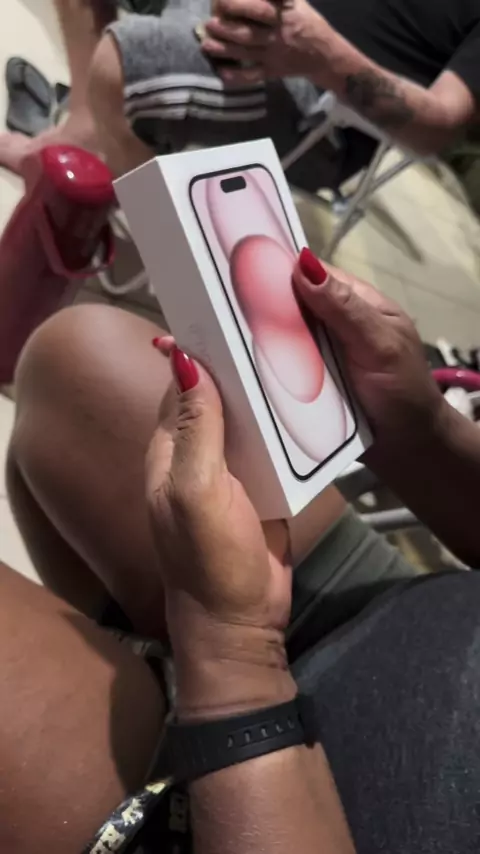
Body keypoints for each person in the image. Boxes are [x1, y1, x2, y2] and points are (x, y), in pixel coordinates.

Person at [4, 249, 480, 853]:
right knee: (79, 357)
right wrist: (417, 428)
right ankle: (148, 663)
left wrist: (234, 660)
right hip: (389, 622)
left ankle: (159, 683)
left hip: (274, 806)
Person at [1, 0, 479, 182]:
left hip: (316, 108)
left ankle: (103, 202)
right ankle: (86, 130)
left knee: (123, 62)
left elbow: (439, 127)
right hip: (255, 20)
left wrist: (325, 57)